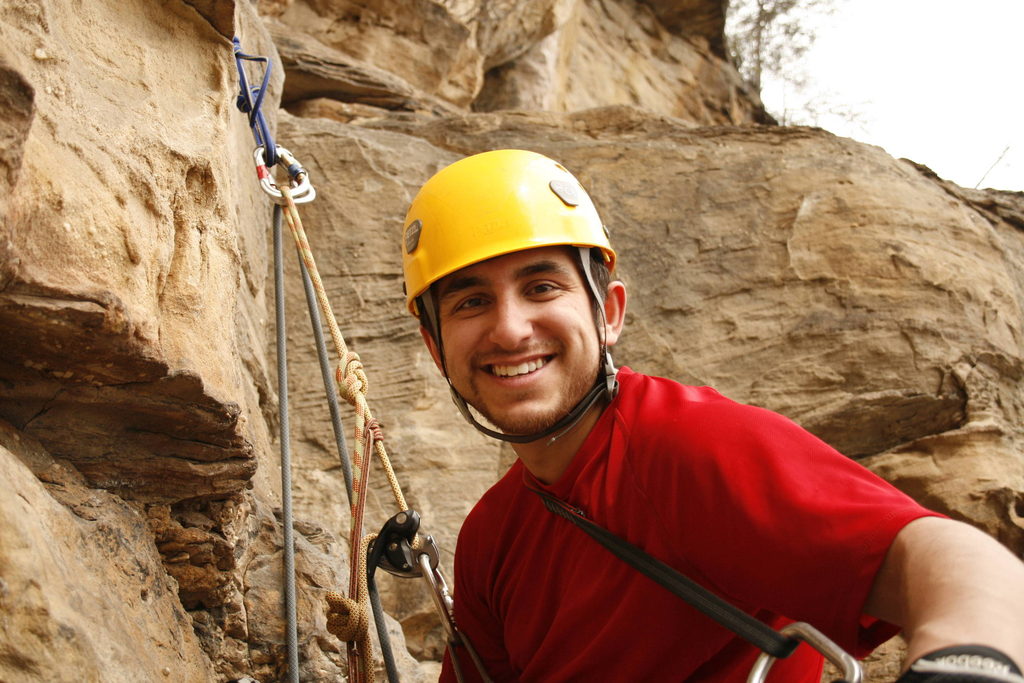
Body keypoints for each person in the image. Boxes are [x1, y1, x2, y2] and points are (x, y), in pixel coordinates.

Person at [400, 149, 1024, 682]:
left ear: (608, 313)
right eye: (472, 302)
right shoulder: (491, 535)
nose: (509, 329)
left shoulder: (689, 445)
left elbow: (954, 560)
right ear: (437, 348)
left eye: (542, 288)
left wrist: (971, 661)